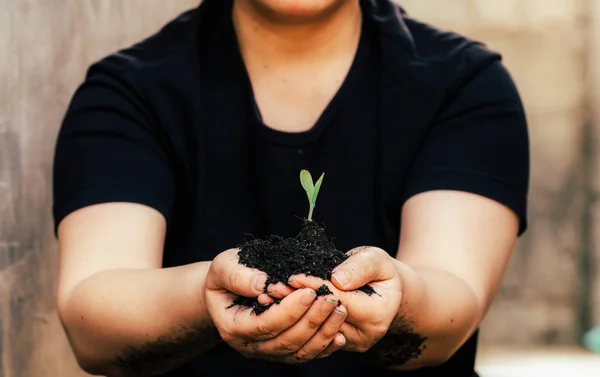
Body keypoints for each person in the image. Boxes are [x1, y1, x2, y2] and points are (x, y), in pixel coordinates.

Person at [52, 0, 529, 376]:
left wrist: (399, 296)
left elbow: (452, 307)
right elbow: (93, 325)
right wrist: (206, 294)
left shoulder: (465, 85)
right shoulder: (128, 93)